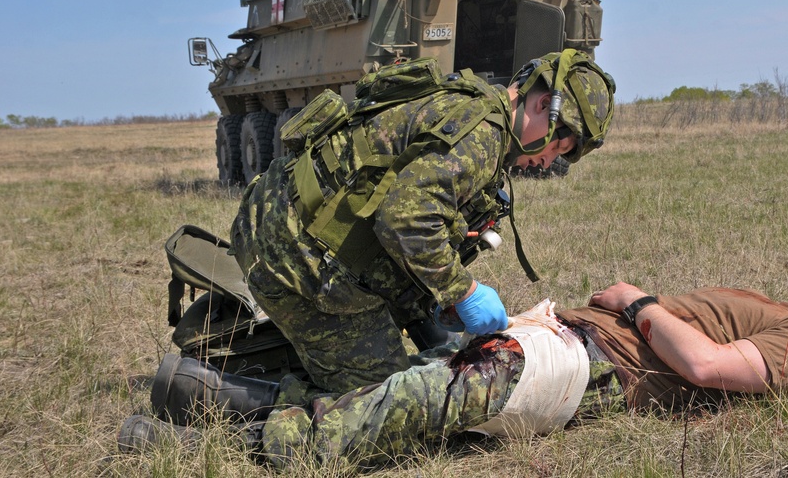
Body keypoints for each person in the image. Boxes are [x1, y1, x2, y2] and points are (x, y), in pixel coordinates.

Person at [120, 272, 788, 467]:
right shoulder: (783, 310)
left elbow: (704, 365)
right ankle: (230, 393)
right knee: (406, 375)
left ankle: (233, 439)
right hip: (564, 336)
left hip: (588, 367)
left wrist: (639, 303)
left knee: (428, 397)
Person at [228, 49, 616, 399]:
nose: (548, 162)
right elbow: (405, 219)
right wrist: (464, 292)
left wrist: (439, 302)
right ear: (543, 103)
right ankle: (210, 395)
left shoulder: (473, 103)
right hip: (294, 259)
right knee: (390, 406)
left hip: (279, 225)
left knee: (405, 369)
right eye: (557, 146)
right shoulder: (483, 136)